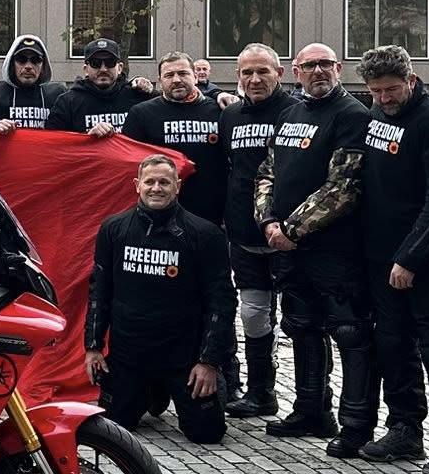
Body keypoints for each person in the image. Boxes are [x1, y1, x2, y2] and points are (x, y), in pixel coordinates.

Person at [350, 46, 429, 474]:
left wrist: (410, 257)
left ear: (411, 79)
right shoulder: (377, 116)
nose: (384, 98)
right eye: (375, 91)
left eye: (391, 89)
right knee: (392, 345)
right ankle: (405, 426)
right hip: (379, 256)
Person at [254, 42, 369, 443]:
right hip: (288, 248)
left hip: (335, 248)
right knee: (300, 327)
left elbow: (344, 186)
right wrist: (268, 220)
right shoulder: (290, 112)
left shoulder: (353, 114)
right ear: (296, 71)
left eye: (325, 64)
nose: (318, 71)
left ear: (338, 68)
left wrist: (291, 229)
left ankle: (355, 423)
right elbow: (267, 171)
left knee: (348, 332)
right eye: (309, 66)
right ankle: (310, 410)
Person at [87, 154, 234, 445]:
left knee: (207, 433)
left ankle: (188, 386)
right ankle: (151, 392)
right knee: (114, 427)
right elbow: (99, 292)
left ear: (177, 186)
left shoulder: (205, 234)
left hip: (183, 356)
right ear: (137, 185)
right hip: (130, 354)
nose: (156, 188)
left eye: (164, 182)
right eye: (150, 182)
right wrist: (92, 347)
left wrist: (208, 362)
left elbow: (222, 301)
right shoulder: (113, 229)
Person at [217, 44, 295, 418]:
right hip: (243, 235)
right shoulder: (230, 115)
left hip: (290, 234)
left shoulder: (295, 112)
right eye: (247, 72)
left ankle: (315, 402)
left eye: (263, 71)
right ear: (238, 76)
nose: (255, 79)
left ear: (279, 73)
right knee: (252, 314)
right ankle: (261, 392)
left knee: (301, 320)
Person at [121, 54, 224, 227]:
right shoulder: (141, 114)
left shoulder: (220, 111)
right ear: (160, 81)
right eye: (169, 75)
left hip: (210, 215)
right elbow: (126, 163)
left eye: (183, 73)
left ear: (195, 76)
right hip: (157, 217)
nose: (176, 80)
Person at [47, 39, 152, 136]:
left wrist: (146, 87)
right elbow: (55, 142)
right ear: (86, 69)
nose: (103, 69)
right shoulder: (68, 102)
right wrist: (87, 138)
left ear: (120, 68)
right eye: (95, 63)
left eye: (110, 62)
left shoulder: (139, 96)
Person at [0, 34, 64, 132]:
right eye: (21, 59)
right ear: (12, 64)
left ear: (43, 66)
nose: (28, 66)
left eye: (36, 60)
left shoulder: (58, 97)